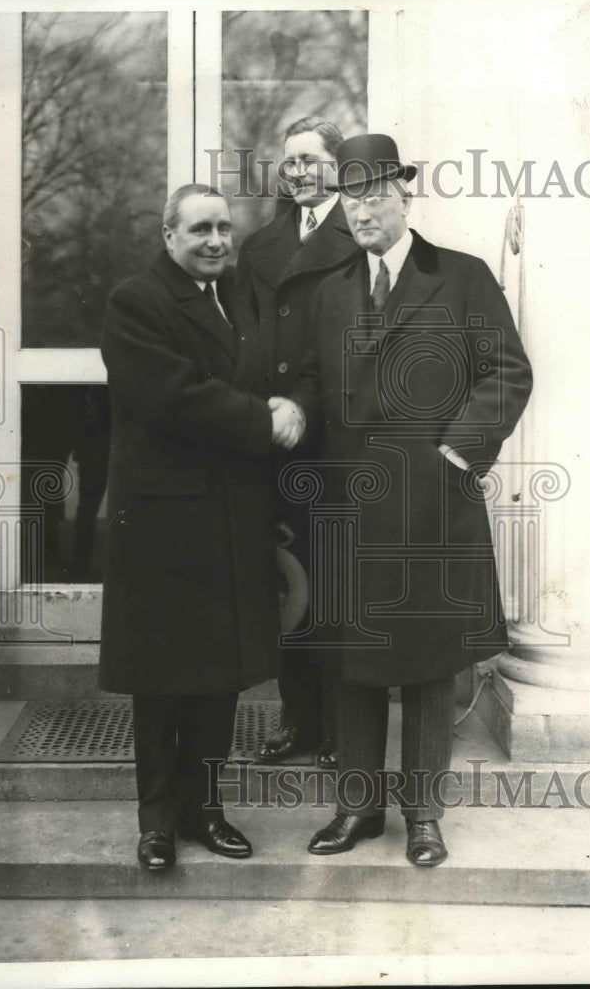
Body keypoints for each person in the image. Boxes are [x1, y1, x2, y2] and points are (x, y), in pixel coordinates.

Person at [291, 134, 533, 866]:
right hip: (348, 508)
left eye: (371, 193)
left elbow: (506, 372)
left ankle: (423, 815)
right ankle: (356, 808)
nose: (359, 210)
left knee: (430, 666)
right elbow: (309, 381)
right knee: (350, 663)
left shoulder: (460, 277)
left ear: (403, 191)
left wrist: (453, 453)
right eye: (348, 196)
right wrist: (293, 416)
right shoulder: (329, 291)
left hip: (431, 506)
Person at [98, 183, 303, 872]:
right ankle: (156, 824)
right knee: (160, 681)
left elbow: (280, 366)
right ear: (168, 236)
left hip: (230, 515)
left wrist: (292, 402)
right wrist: (261, 420)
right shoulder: (138, 300)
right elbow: (169, 396)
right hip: (162, 522)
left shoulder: (241, 295)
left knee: (217, 676)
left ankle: (206, 812)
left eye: (223, 228)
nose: (215, 240)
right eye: (199, 230)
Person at [236, 116, 359, 767]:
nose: (299, 173)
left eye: (311, 160)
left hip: (336, 438)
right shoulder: (263, 245)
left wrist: (302, 404)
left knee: (336, 583)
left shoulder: (361, 233)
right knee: (291, 582)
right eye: (289, 163)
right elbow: (248, 337)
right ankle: (297, 719)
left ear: (340, 166)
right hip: (277, 438)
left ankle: (343, 729)